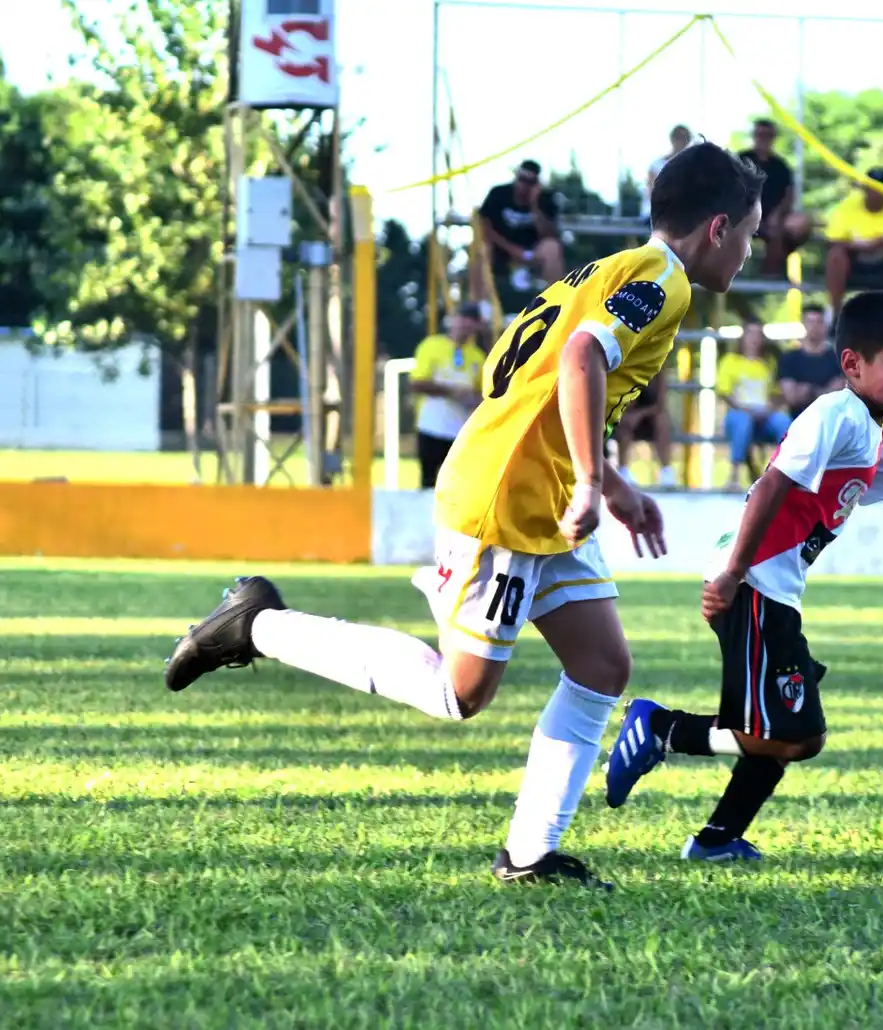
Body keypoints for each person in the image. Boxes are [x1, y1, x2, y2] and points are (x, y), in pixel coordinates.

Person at [162, 142, 767, 889]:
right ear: (717, 228)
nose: (749, 250)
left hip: (535, 490)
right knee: (461, 693)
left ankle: (530, 855)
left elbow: (523, 378)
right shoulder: (663, 281)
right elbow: (581, 360)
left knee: (602, 665)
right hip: (506, 501)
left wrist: (606, 484)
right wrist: (588, 482)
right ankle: (255, 623)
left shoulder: (598, 272)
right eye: (749, 234)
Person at [599, 290, 883, 861]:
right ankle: (660, 730)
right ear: (853, 364)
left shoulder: (869, 434)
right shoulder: (834, 414)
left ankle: (716, 839)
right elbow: (771, 485)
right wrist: (732, 574)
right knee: (784, 733)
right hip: (753, 585)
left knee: (801, 735)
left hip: (773, 591)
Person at [410, 302, 489, 489]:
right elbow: (417, 383)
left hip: (460, 431)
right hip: (431, 426)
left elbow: (482, 393)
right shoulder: (431, 346)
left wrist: (474, 400)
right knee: (428, 481)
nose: (465, 326)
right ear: (453, 320)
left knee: (456, 485)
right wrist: (452, 391)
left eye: (471, 322)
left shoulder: (477, 356)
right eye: (462, 320)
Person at [824, 168, 883, 313]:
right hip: (854, 260)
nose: (876, 193)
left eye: (880, 189)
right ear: (865, 189)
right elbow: (832, 241)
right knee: (835, 256)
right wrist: (861, 245)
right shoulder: (848, 206)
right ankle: (835, 312)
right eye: (872, 188)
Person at [718, 319, 792, 486]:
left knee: (784, 422)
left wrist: (770, 409)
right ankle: (734, 476)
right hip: (739, 413)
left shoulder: (769, 364)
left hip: (764, 414)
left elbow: (776, 394)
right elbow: (724, 393)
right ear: (743, 337)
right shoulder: (730, 361)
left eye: (758, 334)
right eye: (750, 333)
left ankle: (785, 474)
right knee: (743, 422)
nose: (754, 338)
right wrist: (744, 410)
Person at [738, 119, 811, 279]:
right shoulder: (740, 160)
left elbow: (789, 194)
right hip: (741, 215)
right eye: (759, 134)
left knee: (800, 224)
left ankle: (771, 271)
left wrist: (777, 214)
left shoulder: (781, 166)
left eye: (767, 135)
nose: (763, 139)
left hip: (773, 219)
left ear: (773, 138)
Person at [478, 160, 564, 293]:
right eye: (522, 179)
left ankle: (555, 298)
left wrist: (534, 205)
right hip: (501, 249)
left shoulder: (545, 199)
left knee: (552, 247)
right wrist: (514, 250)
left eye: (531, 182)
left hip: (533, 252)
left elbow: (549, 234)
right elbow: (485, 228)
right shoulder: (498, 194)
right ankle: (479, 303)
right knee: (482, 248)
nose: (524, 186)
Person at [612, 368, 677, 488]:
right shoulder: (632, 367)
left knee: (662, 421)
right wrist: (633, 414)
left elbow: (660, 404)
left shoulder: (660, 371)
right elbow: (626, 402)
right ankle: (623, 470)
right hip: (631, 416)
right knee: (625, 422)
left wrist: (640, 414)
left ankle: (666, 471)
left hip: (651, 417)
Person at [777, 305, 843, 419]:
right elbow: (791, 397)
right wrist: (822, 391)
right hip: (796, 419)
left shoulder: (837, 359)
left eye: (819, 322)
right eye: (810, 322)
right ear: (803, 323)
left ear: (825, 325)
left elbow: (836, 396)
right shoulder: (788, 358)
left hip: (829, 419)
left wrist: (809, 391)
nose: (814, 327)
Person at [643, 124, 692, 225]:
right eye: (679, 138)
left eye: (685, 138)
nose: (682, 142)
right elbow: (652, 194)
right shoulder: (656, 165)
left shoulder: (693, 167)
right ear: (672, 139)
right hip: (658, 215)